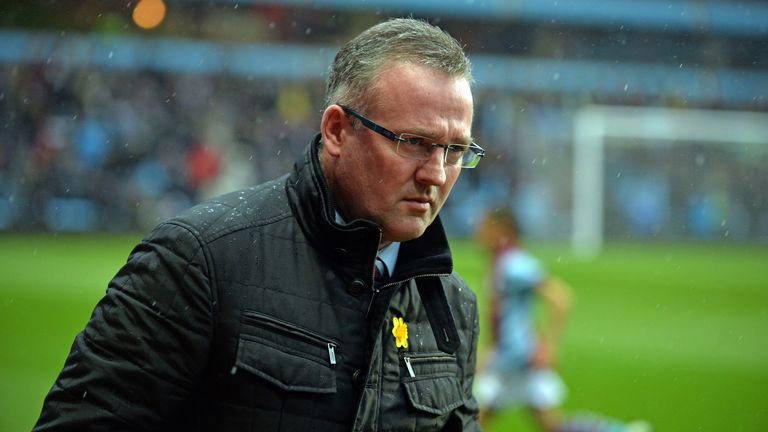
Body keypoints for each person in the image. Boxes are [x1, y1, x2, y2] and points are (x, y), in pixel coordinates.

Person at [33, 18, 486, 432]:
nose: (437, 172)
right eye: (414, 143)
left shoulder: (451, 305)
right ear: (337, 131)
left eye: (455, 150)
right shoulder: (199, 260)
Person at [474, 209, 651, 432]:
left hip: (519, 358)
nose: (478, 233)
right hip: (510, 357)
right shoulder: (500, 262)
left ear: (502, 231)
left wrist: (550, 346)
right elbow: (501, 315)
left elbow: (560, 298)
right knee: (548, 424)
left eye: (484, 227)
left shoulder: (516, 264)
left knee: (477, 419)